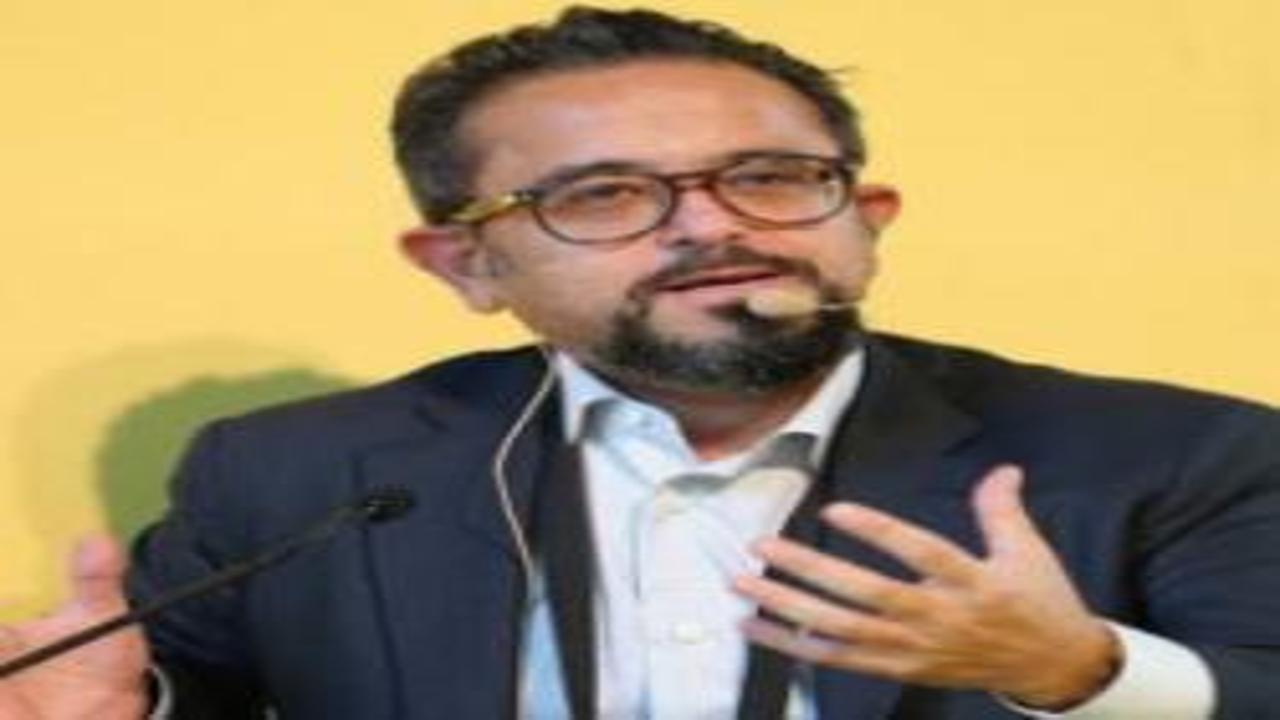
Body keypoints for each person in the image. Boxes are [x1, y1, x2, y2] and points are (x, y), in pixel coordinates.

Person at [3, 6, 1279, 719]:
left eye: (769, 177)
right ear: (466, 265)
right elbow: (196, 695)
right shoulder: (300, 475)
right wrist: (132, 712)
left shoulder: (1174, 454)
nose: (710, 226)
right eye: (603, 195)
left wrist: (1083, 676)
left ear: (865, 218)